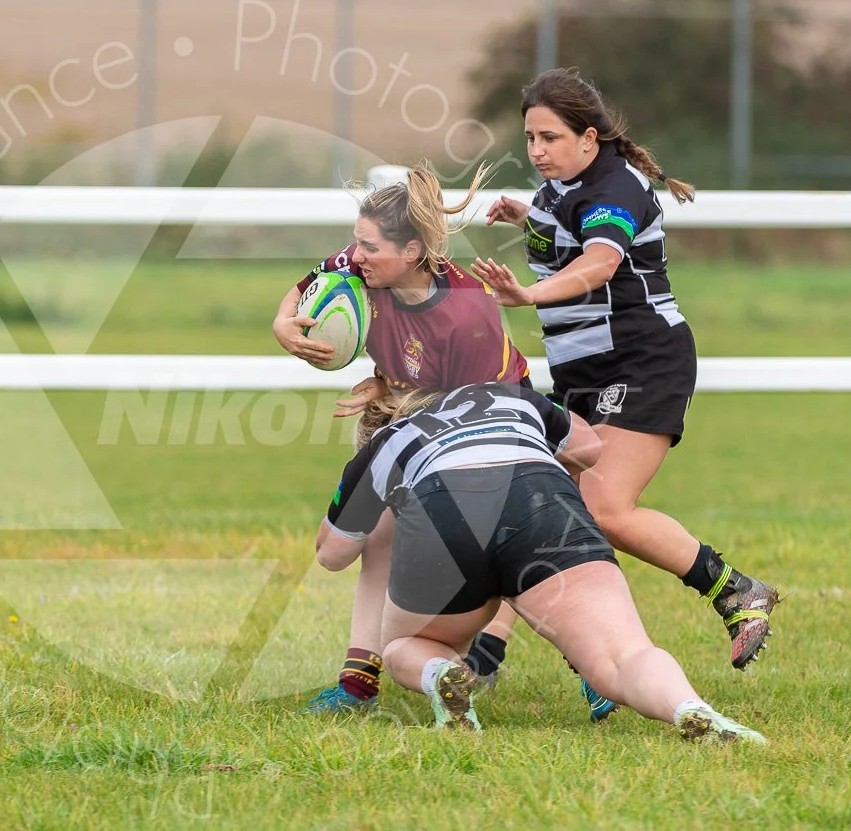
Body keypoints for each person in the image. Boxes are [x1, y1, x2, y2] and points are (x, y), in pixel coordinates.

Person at [469, 68, 780, 710]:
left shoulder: (614, 184)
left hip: (641, 363)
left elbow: (601, 259)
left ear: (590, 137)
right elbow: (571, 233)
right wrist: (528, 212)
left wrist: (526, 294)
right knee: (526, 507)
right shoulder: (561, 185)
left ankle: (734, 589)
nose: (536, 151)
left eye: (549, 137)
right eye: (529, 138)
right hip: (584, 373)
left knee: (603, 510)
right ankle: (501, 656)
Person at [314, 384, 767, 744]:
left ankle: (441, 674)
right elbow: (588, 447)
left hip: (444, 518)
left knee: (404, 645)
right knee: (624, 656)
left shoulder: (384, 443)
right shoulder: (506, 393)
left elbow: (332, 555)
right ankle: (690, 708)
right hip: (542, 500)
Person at [271, 161, 536, 715]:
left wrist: (392, 389)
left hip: (490, 420)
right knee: (374, 539)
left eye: (369, 246)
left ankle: (586, 665)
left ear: (413, 252)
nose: (354, 255)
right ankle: (358, 682)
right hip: (406, 405)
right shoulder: (365, 266)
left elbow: (473, 410)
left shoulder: (467, 315)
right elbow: (303, 289)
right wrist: (283, 326)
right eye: (354, 243)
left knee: (512, 545)